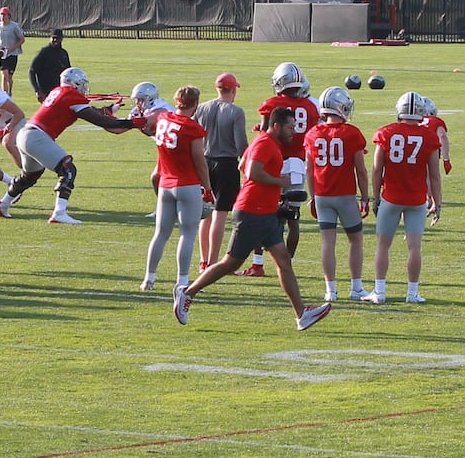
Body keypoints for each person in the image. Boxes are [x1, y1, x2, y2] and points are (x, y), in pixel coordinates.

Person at [172, 107, 333, 332]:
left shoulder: (267, 143)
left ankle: (302, 314)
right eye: (289, 127)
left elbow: (242, 165)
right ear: (276, 125)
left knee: (284, 261)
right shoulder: (265, 144)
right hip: (252, 212)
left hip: (265, 212)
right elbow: (252, 171)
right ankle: (186, 293)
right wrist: (281, 182)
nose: (293, 132)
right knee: (231, 262)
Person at [0, 67, 141, 225]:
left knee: (30, 176)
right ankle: (59, 213)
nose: (83, 88)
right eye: (81, 84)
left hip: (25, 134)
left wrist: (109, 110)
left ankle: (3, 204)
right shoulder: (71, 95)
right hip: (36, 136)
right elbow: (100, 121)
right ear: (75, 83)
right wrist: (133, 123)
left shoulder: (60, 91)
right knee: (68, 169)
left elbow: (87, 112)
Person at [362, 92, 444, 305]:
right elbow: (434, 174)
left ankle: (379, 291)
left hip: (391, 197)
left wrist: (375, 196)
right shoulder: (429, 136)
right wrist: (437, 201)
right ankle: (412, 292)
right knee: (415, 247)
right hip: (416, 199)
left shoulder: (386, 133)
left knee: (383, 245)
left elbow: (377, 169)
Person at [242, 62, 320, 278]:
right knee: (293, 219)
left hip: (273, 163)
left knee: (263, 214)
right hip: (297, 166)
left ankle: (258, 265)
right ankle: (288, 265)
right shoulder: (311, 107)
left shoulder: (273, 104)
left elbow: (265, 136)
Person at [304, 86, 371, 303]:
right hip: (345, 195)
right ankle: (356, 287)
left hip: (322, 194)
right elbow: (360, 169)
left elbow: (309, 169)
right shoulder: (351, 133)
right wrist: (365, 196)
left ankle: (330, 290)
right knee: (356, 240)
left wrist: (313, 196)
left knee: (327, 243)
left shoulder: (312, 133)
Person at [142, 86, 211, 293]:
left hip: (165, 184)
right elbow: (200, 162)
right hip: (187, 185)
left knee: (160, 234)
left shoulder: (164, 120)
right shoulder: (192, 128)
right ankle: (182, 281)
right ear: (195, 104)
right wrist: (207, 187)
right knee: (187, 234)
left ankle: (149, 278)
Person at [193, 72, 248, 270]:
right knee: (220, 214)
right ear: (233, 90)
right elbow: (241, 145)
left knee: (206, 213)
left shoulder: (202, 108)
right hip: (226, 164)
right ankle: (213, 263)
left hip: (205, 162)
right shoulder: (235, 112)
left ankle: (203, 259)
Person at [26, 29, 70, 102]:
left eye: (57, 38)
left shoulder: (63, 53)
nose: (55, 40)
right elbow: (32, 71)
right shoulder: (44, 52)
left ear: (61, 39)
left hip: (60, 91)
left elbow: (68, 72)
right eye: (53, 38)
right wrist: (37, 90)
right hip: (46, 91)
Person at [0, 6, 26, 95]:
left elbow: (22, 39)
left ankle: (9, 92)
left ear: (8, 16)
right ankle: (4, 94)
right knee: (4, 75)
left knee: (9, 77)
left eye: (4, 15)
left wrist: (12, 49)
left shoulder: (14, 26)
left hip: (12, 54)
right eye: (1, 14)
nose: (2, 16)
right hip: (2, 53)